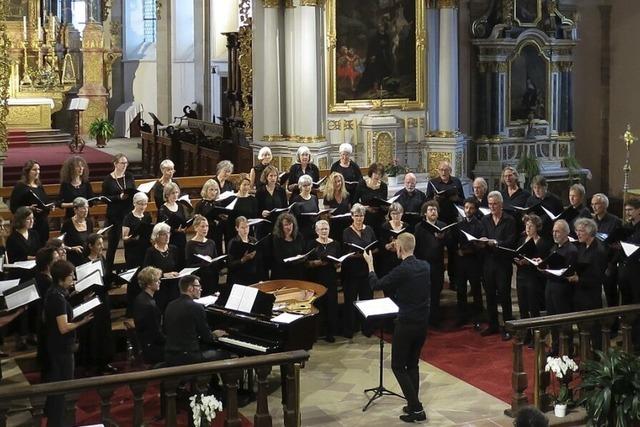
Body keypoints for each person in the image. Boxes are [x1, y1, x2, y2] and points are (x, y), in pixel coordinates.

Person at [363, 232, 430, 423]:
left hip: (406, 323)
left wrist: (370, 264)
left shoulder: (402, 270)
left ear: (399, 248)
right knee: (413, 364)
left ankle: (416, 409)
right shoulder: (425, 266)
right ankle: (413, 403)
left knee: (398, 366)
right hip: (422, 323)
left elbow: (376, 284)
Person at [43, 260, 94, 427]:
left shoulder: (56, 292)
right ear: (61, 279)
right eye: (70, 276)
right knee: (62, 389)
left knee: (60, 389)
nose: (73, 279)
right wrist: (83, 321)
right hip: (61, 349)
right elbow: (63, 327)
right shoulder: (56, 298)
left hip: (57, 347)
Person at [163, 275, 229, 366]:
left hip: (170, 356)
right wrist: (214, 334)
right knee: (225, 354)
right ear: (190, 288)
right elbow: (208, 338)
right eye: (198, 286)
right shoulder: (196, 307)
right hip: (189, 357)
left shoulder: (170, 305)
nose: (201, 289)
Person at [76, 233, 116, 375]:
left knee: (104, 330)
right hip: (91, 300)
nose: (102, 246)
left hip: (103, 298)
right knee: (92, 332)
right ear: (90, 246)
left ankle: (104, 362)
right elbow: (82, 283)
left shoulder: (102, 258)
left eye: (102, 243)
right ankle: (90, 364)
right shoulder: (83, 262)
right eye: (98, 244)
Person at [479, 191, 516, 340]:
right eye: (490, 204)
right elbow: (482, 235)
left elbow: (511, 241)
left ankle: (508, 327)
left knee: (504, 295)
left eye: (495, 204)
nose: (492, 207)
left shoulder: (510, 220)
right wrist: (481, 241)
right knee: (489, 295)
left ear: (501, 204)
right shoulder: (485, 219)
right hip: (488, 262)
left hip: (503, 263)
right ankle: (493, 324)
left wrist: (496, 243)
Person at [568, 218, 607, 348]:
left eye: (581, 231)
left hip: (591, 296)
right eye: (577, 231)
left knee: (594, 330)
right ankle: (585, 355)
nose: (577, 234)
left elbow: (598, 278)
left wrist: (579, 279)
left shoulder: (598, 251)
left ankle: (596, 361)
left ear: (590, 232)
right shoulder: (582, 247)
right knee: (582, 329)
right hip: (580, 294)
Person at [514, 214, 552, 345]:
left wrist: (529, 262)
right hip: (521, 276)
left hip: (533, 277)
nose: (528, 228)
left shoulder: (543, 243)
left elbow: (543, 262)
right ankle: (526, 335)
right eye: (526, 226)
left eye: (531, 226)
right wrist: (518, 261)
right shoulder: (522, 239)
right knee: (523, 307)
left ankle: (535, 336)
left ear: (537, 227)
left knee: (533, 307)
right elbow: (516, 254)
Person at [542, 219, 578, 356]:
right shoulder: (555, 247)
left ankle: (567, 350)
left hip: (562, 289)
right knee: (552, 319)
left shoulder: (571, 250)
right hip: (551, 286)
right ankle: (556, 347)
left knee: (563, 321)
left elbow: (569, 272)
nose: (554, 234)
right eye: (553, 231)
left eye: (557, 231)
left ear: (566, 233)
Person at [341, 203, 377, 338]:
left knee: (367, 299)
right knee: (350, 301)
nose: (359, 218)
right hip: (351, 270)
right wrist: (359, 254)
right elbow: (345, 251)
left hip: (366, 269)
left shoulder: (369, 229)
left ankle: (367, 328)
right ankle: (350, 329)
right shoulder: (346, 231)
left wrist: (370, 251)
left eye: (361, 215)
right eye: (356, 216)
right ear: (352, 216)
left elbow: (375, 246)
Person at [306, 220, 341, 342]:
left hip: (331, 279)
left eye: (326, 229)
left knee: (331, 305)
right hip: (317, 279)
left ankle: (330, 333)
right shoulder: (311, 244)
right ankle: (317, 333)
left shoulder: (335, 244)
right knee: (318, 305)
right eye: (321, 229)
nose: (324, 231)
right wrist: (317, 263)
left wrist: (338, 265)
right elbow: (307, 263)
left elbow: (338, 261)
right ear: (316, 231)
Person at [414, 200, 448, 327]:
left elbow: (449, 244)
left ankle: (434, 320)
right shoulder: (419, 227)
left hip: (437, 265)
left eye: (435, 209)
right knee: (423, 293)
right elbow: (416, 247)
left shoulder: (443, 225)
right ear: (425, 213)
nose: (433, 211)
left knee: (436, 292)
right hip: (423, 264)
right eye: (430, 209)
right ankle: (423, 320)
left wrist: (442, 238)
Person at [453, 198, 485, 329]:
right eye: (466, 207)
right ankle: (462, 316)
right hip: (461, 262)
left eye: (471, 208)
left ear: (475, 210)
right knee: (461, 290)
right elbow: (454, 241)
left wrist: (467, 250)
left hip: (474, 262)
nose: (468, 210)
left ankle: (478, 318)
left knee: (476, 290)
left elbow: (480, 244)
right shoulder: (459, 225)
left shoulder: (479, 225)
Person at [101, 153, 136, 273]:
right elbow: (105, 198)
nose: (125, 165)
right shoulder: (108, 180)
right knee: (112, 245)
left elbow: (133, 190)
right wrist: (118, 197)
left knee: (129, 245)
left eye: (126, 163)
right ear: (115, 164)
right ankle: (108, 273)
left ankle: (130, 271)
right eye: (122, 163)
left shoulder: (129, 176)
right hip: (115, 216)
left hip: (128, 214)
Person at [142, 222, 182, 312]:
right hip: (159, 289)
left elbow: (179, 267)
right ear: (156, 236)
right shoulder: (151, 251)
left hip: (174, 287)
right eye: (164, 234)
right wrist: (163, 275)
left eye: (168, 233)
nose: (167, 236)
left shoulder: (173, 249)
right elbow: (146, 273)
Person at [10, 160, 52, 242]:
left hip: (41, 223)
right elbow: (13, 207)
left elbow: (45, 202)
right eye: (34, 170)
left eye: (38, 169)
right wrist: (28, 208)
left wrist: (49, 206)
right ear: (27, 171)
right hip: (27, 224)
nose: (37, 172)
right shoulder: (20, 186)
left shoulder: (39, 186)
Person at [133, 266, 165, 365]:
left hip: (146, 344)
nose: (159, 282)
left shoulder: (140, 298)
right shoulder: (149, 305)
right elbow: (156, 334)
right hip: (154, 349)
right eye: (156, 280)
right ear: (149, 284)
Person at [619, 199, 640, 348]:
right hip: (626, 270)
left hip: (637, 273)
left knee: (636, 305)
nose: (627, 213)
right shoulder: (626, 227)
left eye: (631, 209)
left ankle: (637, 339)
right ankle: (628, 337)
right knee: (626, 304)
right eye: (626, 210)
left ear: (639, 210)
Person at [185, 215, 220, 295]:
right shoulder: (190, 244)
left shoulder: (211, 242)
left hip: (212, 278)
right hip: (199, 279)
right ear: (196, 228)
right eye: (202, 226)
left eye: (207, 226)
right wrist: (202, 264)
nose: (205, 228)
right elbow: (189, 265)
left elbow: (215, 260)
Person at [157, 182, 191, 256]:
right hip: (170, 239)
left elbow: (184, 220)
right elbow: (161, 227)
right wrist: (175, 230)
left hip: (181, 237)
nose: (175, 195)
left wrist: (185, 226)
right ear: (167, 194)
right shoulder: (163, 209)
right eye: (173, 193)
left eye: (176, 192)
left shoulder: (180, 205)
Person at [122, 192, 153, 269]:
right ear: (134, 203)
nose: (143, 206)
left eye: (145, 204)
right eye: (140, 204)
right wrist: (131, 238)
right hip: (133, 250)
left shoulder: (147, 216)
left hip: (145, 248)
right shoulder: (128, 217)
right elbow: (124, 238)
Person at [355, 162, 388, 236]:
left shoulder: (383, 186)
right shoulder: (362, 184)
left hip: (379, 217)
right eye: (375, 173)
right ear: (371, 173)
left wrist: (385, 207)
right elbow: (355, 202)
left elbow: (384, 203)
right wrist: (365, 208)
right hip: (365, 217)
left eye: (379, 174)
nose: (377, 176)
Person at [271, 213, 307, 280]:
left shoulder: (299, 236)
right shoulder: (277, 239)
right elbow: (279, 259)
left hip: (298, 271)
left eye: (290, 224)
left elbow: (304, 252)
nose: (289, 227)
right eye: (286, 225)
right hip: (283, 273)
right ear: (281, 227)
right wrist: (295, 260)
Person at [194, 179, 225, 254]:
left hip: (217, 232)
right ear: (206, 190)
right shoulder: (200, 204)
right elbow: (196, 220)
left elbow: (221, 217)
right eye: (211, 189)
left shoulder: (218, 203)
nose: (213, 192)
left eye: (215, 190)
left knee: (217, 250)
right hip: (205, 232)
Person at [227, 216, 261, 286]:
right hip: (239, 278)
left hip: (252, 277)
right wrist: (243, 259)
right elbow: (230, 264)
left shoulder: (253, 240)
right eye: (242, 228)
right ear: (237, 228)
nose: (245, 230)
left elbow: (259, 260)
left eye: (247, 227)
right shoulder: (233, 242)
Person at [60, 197, 94, 266]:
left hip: (87, 259)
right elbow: (60, 244)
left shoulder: (89, 222)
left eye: (87, 208)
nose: (86, 210)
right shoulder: (67, 224)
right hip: (74, 260)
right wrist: (72, 248)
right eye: (83, 208)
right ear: (75, 210)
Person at [290, 175, 320, 240]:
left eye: (309, 185)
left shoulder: (314, 198)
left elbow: (317, 212)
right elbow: (294, 218)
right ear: (300, 187)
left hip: (314, 230)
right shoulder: (296, 199)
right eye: (304, 186)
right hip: (302, 231)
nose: (307, 187)